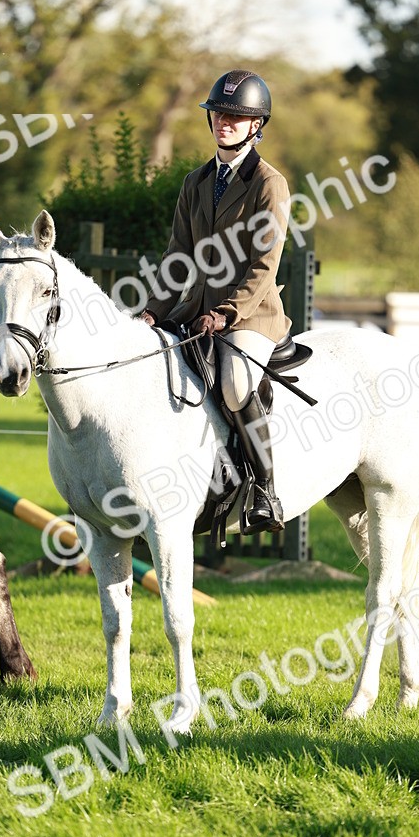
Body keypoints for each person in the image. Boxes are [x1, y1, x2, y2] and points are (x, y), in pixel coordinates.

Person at [141, 69, 291, 532]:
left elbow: (264, 267)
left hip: (251, 315)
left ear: (255, 125)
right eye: (218, 114)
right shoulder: (196, 182)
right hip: (198, 311)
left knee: (235, 384)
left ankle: (264, 490)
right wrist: (153, 311)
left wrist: (227, 313)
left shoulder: (269, 183)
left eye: (235, 116)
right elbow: (178, 257)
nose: (224, 122)